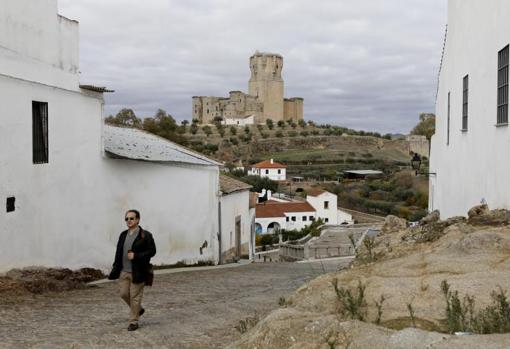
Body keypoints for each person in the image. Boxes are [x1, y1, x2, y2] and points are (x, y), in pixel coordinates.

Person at [108, 209, 156, 331]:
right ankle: (138, 310)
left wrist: (137, 256)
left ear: (138, 220)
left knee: (135, 297)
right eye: (127, 219)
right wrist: (115, 267)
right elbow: (118, 252)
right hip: (124, 270)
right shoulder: (123, 234)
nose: (129, 221)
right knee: (123, 294)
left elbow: (152, 251)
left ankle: (133, 321)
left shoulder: (145, 235)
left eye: (131, 218)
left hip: (138, 271)